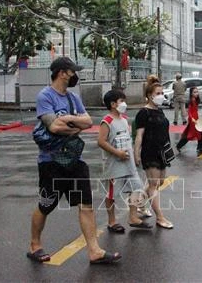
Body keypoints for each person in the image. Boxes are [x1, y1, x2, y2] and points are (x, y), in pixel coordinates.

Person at [27, 56, 121, 264]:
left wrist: (68, 120)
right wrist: (75, 125)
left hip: (74, 160)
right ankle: (35, 245)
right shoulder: (45, 96)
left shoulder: (73, 98)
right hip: (51, 162)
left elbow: (88, 121)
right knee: (46, 205)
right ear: (62, 73)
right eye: (72, 72)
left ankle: (94, 250)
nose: (74, 75)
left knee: (86, 204)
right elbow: (53, 127)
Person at [98, 89, 151, 233]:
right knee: (111, 195)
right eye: (122, 101)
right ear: (113, 104)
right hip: (114, 166)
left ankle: (133, 217)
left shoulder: (124, 119)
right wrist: (117, 153)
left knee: (136, 188)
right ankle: (112, 222)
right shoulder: (107, 121)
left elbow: (129, 141)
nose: (124, 104)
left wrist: (135, 155)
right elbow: (101, 142)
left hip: (129, 164)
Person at [134, 75, 174, 230]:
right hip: (149, 152)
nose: (161, 96)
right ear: (150, 95)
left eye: (162, 92)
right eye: (158, 93)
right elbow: (139, 136)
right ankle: (160, 217)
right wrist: (136, 154)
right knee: (153, 184)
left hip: (162, 152)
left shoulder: (160, 111)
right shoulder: (144, 113)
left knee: (159, 182)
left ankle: (140, 204)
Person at [175, 87, 202, 156]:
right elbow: (189, 111)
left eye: (197, 92)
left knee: (193, 134)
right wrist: (192, 119)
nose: (196, 93)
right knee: (198, 134)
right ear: (191, 93)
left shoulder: (195, 99)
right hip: (193, 120)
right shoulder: (192, 100)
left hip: (196, 119)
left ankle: (180, 146)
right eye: (194, 92)